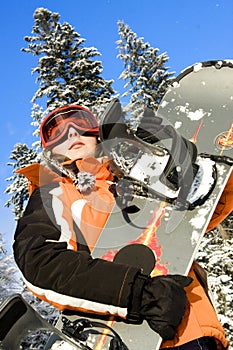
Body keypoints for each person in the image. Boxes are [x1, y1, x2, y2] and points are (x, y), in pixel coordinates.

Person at [13, 104, 232, 350]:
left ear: (97, 134)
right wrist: (138, 293)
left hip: (195, 325)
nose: (72, 133)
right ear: (51, 151)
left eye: (81, 123)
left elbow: (196, 217)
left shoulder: (137, 174)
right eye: (57, 132)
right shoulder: (55, 194)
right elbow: (40, 263)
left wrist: (207, 165)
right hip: (131, 336)